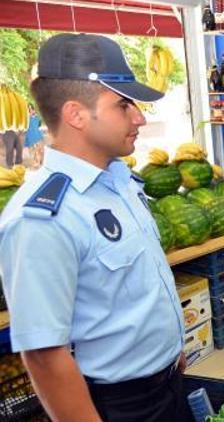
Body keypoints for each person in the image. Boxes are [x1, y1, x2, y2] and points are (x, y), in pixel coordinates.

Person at [0, 33, 189, 421]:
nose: (139, 117)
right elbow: (44, 354)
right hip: (121, 405)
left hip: (168, 381)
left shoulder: (118, 181)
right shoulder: (42, 219)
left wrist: (170, 350)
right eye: (123, 105)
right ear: (76, 114)